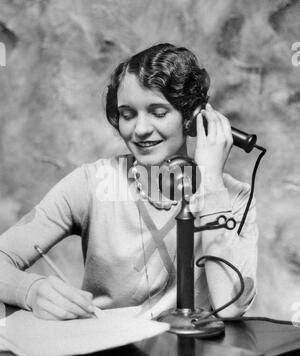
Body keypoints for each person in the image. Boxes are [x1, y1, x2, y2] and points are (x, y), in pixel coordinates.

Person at [0, 43, 258, 321]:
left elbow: (230, 307)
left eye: (158, 112)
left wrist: (210, 182)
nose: (140, 129)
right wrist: (31, 290)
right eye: (127, 114)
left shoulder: (235, 198)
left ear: (191, 118)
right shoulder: (91, 183)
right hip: (109, 355)